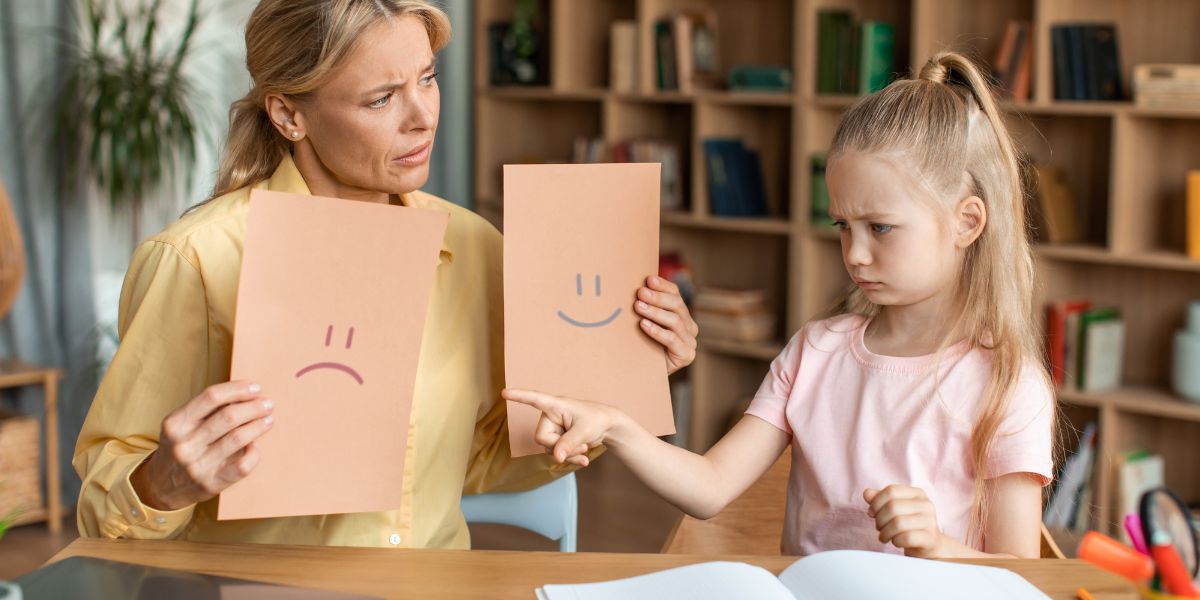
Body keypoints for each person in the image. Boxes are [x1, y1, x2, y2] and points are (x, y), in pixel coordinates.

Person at [73, 0, 698, 548]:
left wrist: (618, 385)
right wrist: (162, 484)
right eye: (381, 98)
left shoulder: (474, 248)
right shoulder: (197, 260)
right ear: (290, 115)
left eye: (427, 79)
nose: (423, 116)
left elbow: (475, 461)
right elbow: (102, 512)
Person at [506, 52, 1055, 559]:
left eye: (880, 228)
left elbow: (1021, 578)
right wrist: (617, 426)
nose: (856, 254)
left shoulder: (1007, 383)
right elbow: (710, 486)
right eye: (843, 226)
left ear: (967, 222)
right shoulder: (815, 352)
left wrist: (939, 546)